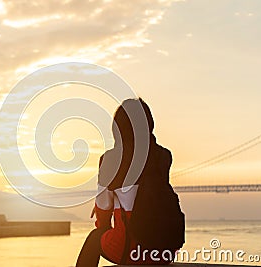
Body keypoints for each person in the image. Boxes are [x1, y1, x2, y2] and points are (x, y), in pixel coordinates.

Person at [76, 98, 184, 267]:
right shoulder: (163, 156)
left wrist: (102, 216)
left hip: (131, 251)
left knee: (95, 237)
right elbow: (154, 200)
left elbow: (103, 212)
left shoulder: (111, 159)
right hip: (164, 252)